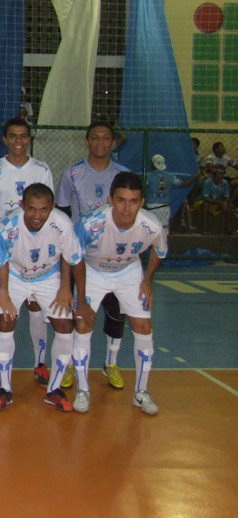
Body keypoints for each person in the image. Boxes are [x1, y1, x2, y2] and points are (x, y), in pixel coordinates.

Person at [0, 183, 87, 412]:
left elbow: (75, 260)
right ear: (22, 205)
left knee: (64, 324)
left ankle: (54, 389)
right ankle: (5, 388)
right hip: (15, 276)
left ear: (52, 207)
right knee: (5, 320)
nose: (37, 215)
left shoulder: (62, 224)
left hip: (48, 277)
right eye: (32, 209)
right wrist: (1, 295)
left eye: (44, 209)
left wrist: (69, 290)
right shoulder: (6, 227)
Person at [74, 172, 167, 415]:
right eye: (121, 200)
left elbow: (160, 250)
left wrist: (147, 280)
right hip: (93, 271)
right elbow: (73, 258)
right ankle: (82, 389)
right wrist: (80, 296)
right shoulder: (91, 224)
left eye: (133, 201)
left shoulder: (152, 226)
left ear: (142, 202)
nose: (127, 208)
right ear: (110, 199)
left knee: (143, 327)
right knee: (83, 324)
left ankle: (141, 392)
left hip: (129, 271)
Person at [56, 120, 129, 390]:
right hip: (80, 258)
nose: (100, 142)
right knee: (79, 312)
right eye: (95, 138)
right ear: (87, 142)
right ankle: (74, 365)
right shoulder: (72, 174)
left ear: (113, 142)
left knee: (115, 312)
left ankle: (110, 363)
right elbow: (62, 214)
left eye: (106, 138)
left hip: (113, 258)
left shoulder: (123, 175)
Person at [0, 116, 54, 386]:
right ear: (5, 139)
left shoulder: (42, 170)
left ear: (29, 139)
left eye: (24, 136)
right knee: (0, 307)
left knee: (35, 306)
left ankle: (40, 363)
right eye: (13, 136)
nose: (19, 141)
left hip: (33, 249)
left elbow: (49, 210)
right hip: (3, 250)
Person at [145, 153, 196, 236]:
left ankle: (152, 247)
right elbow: (183, 184)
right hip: (165, 206)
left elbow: (142, 186)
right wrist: (194, 178)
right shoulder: (170, 176)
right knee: (164, 229)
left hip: (151, 205)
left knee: (151, 229)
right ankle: (162, 246)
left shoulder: (148, 176)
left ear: (153, 164)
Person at [195, 169, 231, 234]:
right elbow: (206, 198)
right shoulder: (207, 182)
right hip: (202, 202)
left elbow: (227, 196)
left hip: (216, 203)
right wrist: (219, 203)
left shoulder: (225, 183)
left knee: (228, 205)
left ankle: (228, 229)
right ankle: (204, 228)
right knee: (206, 205)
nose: (219, 180)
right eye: (217, 177)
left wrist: (225, 202)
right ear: (213, 177)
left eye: (221, 178)